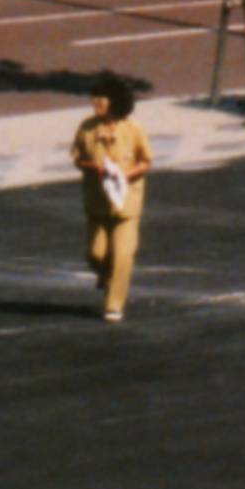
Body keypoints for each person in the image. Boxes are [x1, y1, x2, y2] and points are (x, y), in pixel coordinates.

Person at [69, 71, 153, 321]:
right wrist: (94, 167)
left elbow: (146, 161)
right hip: (97, 202)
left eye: (101, 97)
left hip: (126, 204)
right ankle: (105, 275)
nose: (95, 102)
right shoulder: (86, 127)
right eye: (94, 97)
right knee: (96, 254)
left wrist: (126, 175)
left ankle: (114, 304)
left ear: (114, 101)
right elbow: (77, 158)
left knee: (122, 255)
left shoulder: (133, 128)